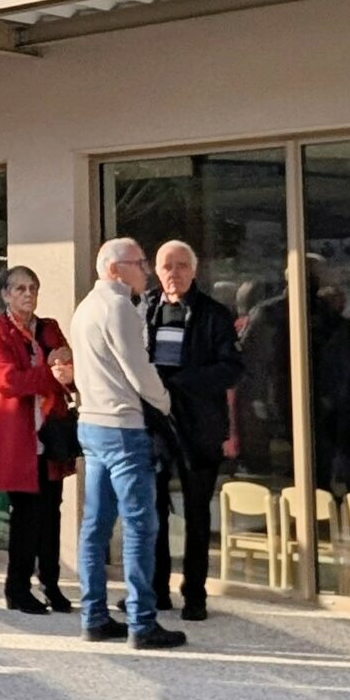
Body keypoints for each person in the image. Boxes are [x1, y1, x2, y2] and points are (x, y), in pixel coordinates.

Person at [67, 238, 183, 650]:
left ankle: (94, 616)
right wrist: (165, 402)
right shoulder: (118, 307)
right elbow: (139, 368)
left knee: (95, 525)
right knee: (139, 525)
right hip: (122, 427)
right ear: (115, 269)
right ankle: (142, 622)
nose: (146, 270)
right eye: (140, 263)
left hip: (92, 424)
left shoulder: (85, 307)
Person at [143, 240, 241, 622]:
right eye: (167, 265)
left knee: (197, 513)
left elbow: (232, 368)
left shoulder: (213, 314)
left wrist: (181, 382)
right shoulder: (144, 308)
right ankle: (157, 590)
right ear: (156, 270)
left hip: (199, 426)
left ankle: (195, 594)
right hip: (155, 425)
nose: (175, 273)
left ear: (195, 271)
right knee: (153, 511)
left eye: (182, 265)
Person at [0, 265, 75, 615]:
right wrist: (50, 373)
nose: (28, 294)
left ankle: (50, 584)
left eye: (32, 287)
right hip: (16, 439)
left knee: (51, 514)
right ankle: (17, 588)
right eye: (20, 288)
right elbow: (8, 381)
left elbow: (69, 368)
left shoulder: (49, 328)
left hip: (51, 436)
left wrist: (60, 373)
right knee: (25, 517)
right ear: (5, 294)